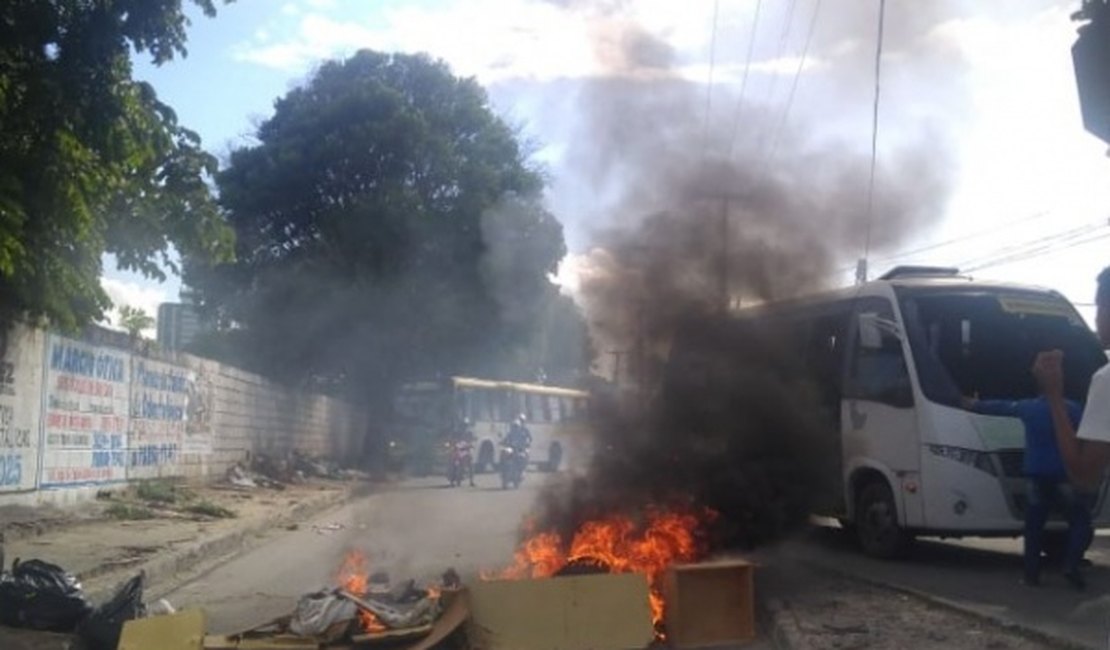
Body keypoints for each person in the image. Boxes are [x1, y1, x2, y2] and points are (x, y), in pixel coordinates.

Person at [1035, 266, 1110, 588]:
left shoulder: (1106, 381)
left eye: (1099, 306)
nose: (1096, 319)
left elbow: (1082, 475)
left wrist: (1053, 395)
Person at [964, 390, 1085, 587]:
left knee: (1034, 527)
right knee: (1080, 521)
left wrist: (974, 404)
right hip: (1064, 475)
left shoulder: (1029, 407)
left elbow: (1000, 406)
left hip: (1036, 474)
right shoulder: (1073, 409)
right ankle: (1071, 564)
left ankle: (1031, 575)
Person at [449, 417, 476, 486]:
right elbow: (452, 440)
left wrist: (470, 445)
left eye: (465, 425)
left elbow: (471, 440)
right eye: (463, 425)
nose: (464, 427)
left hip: (465, 451)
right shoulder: (456, 432)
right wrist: (453, 445)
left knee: (471, 463)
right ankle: (452, 480)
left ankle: (471, 481)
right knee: (452, 462)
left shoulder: (469, 432)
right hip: (457, 450)